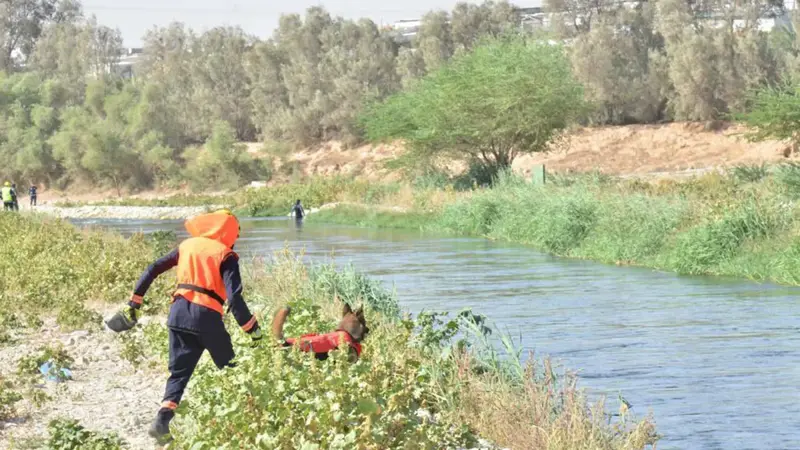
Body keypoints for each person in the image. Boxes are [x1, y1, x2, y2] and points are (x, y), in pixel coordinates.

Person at [105, 210, 263, 442]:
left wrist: (134, 302)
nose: (236, 239)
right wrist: (253, 330)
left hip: (178, 314)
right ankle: (249, 423)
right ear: (228, 232)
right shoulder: (226, 255)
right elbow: (235, 299)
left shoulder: (187, 246)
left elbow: (153, 268)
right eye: (236, 234)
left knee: (179, 373)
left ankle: (161, 421)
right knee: (231, 368)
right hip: (207, 317)